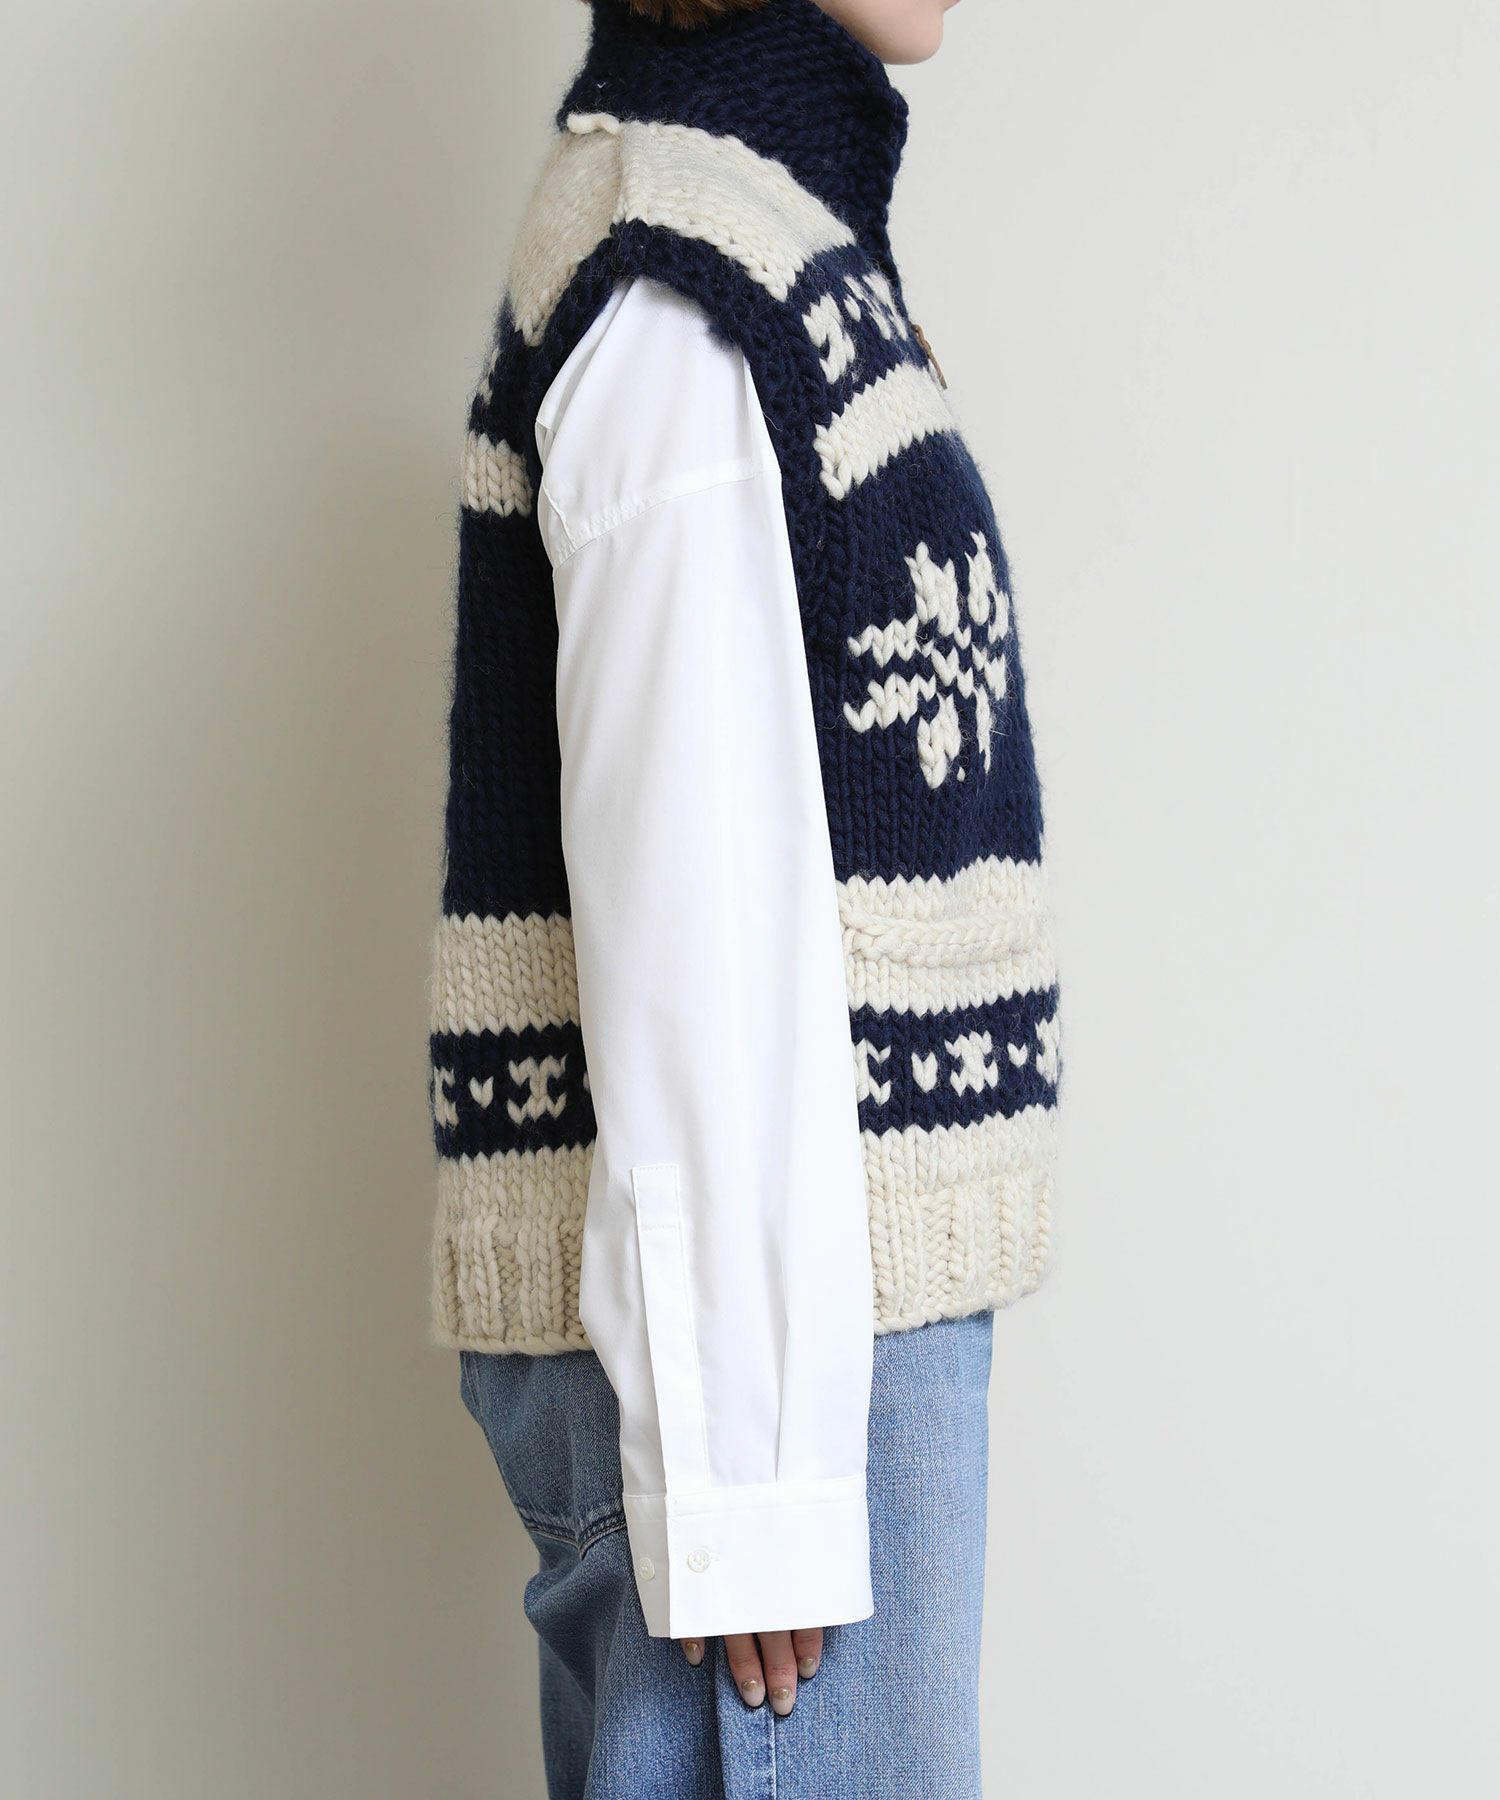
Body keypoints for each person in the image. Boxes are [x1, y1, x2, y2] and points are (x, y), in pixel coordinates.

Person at [425, 0, 1063, 1789]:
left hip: (810, 1332)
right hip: (784, 1362)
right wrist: (752, 1476)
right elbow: (691, 875)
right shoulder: (682, 267)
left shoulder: (763, 234)